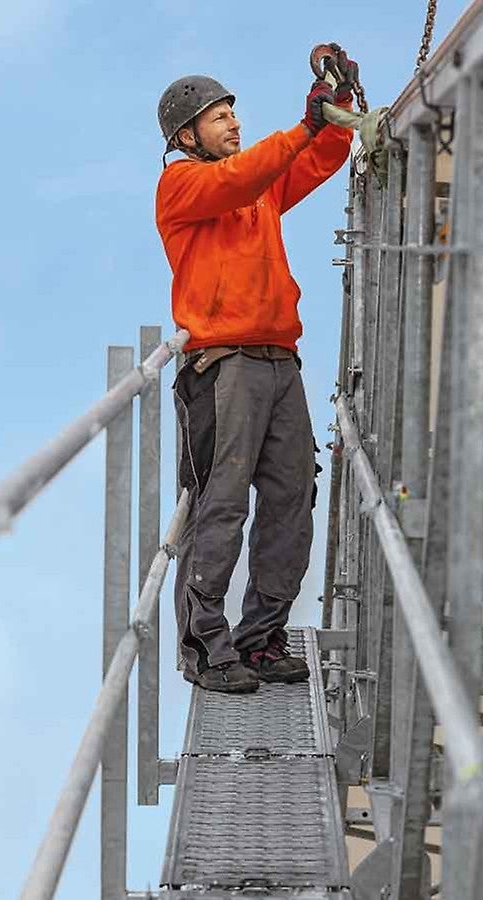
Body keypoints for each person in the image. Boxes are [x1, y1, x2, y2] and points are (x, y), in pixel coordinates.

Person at [155, 63, 353, 694]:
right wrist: (303, 122)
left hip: (277, 362)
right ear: (187, 136)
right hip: (223, 367)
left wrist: (337, 100)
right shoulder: (181, 185)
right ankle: (205, 649)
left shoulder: (257, 188)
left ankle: (260, 639)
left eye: (234, 112)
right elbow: (244, 176)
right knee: (221, 504)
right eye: (220, 117)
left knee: (292, 498)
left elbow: (319, 157)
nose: (234, 122)